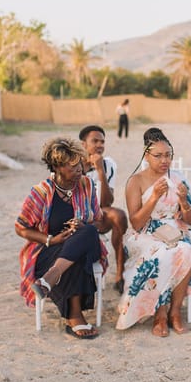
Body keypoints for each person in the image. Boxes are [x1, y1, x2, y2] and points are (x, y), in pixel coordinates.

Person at [15, 138, 108, 339]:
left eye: (80, 166)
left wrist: (85, 226)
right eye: (73, 167)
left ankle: (50, 278)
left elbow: (101, 223)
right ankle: (75, 316)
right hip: (50, 249)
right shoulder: (40, 192)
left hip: (88, 245)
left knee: (88, 232)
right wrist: (51, 240)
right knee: (74, 258)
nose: (79, 171)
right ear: (57, 167)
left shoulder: (87, 185)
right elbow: (21, 227)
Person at [116, 127, 191, 336]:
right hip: (144, 233)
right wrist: (153, 197)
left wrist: (183, 202)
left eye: (168, 155)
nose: (164, 160)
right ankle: (160, 314)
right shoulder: (136, 181)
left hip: (173, 230)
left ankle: (175, 312)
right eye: (158, 156)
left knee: (186, 251)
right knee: (161, 253)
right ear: (146, 156)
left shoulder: (178, 179)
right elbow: (135, 223)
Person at [79, 125, 128, 291]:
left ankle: (120, 272)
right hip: (76, 215)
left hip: (99, 212)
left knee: (119, 216)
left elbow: (107, 201)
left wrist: (100, 171)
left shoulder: (108, 164)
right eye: (95, 141)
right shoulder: (72, 165)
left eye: (102, 142)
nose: (99, 145)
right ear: (83, 144)